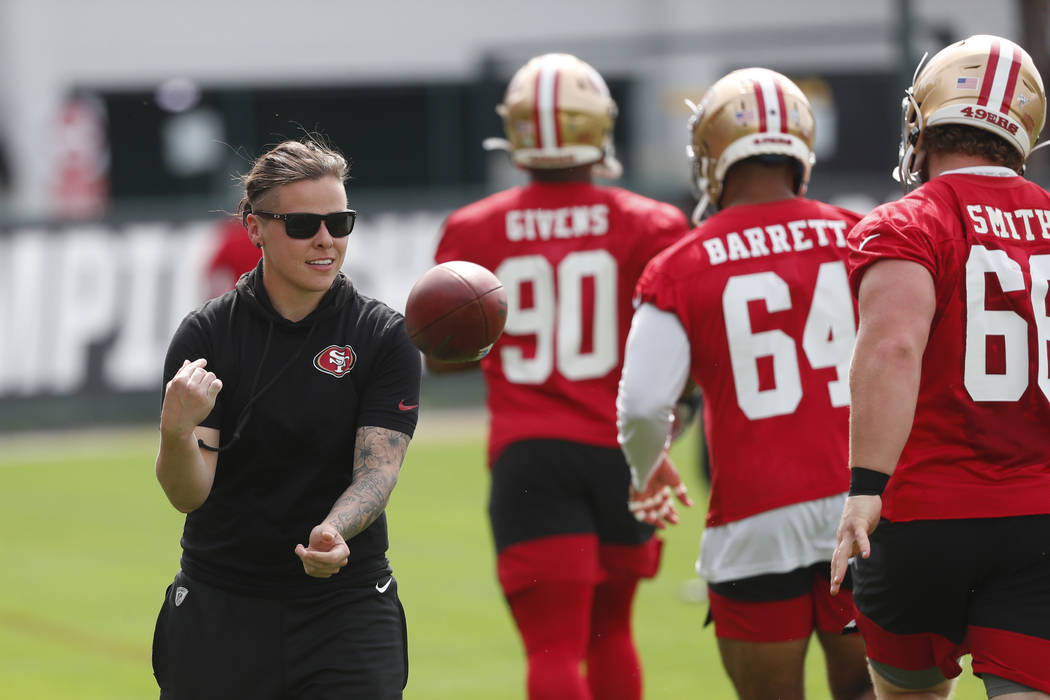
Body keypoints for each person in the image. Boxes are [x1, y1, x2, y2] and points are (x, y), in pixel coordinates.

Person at [431, 53, 691, 700]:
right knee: (614, 630)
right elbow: (684, 356)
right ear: (598, 127)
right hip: (623, 450)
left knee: (552, 646)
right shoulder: (653, 223)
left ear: (515, 131)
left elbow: (441, 357)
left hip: (530, 453)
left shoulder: (473, 228)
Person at [617, 68, 874, 700]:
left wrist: (647, 467)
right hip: (865, 507)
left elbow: (645, 404)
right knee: (871, 693)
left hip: (753, 519)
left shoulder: (681, 263)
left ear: (709, 157)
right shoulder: (865, 235)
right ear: (802, 151)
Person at [151, 137, 421, 699]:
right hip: (222, 603)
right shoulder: (207, 336)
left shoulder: (381, 336)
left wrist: (334, 530)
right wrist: (176, 432)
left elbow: (377, 472)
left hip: (345, 608)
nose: (326, 240)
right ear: (255, 228)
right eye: (302, 225)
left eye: (340, 222)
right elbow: (188, 494)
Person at [830, 34, 1050, 699]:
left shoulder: (909, 221)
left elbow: (894, 347)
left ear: (924, 121)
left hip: (925, 513)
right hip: (1040, 511)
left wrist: (865, 488)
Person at [205, 217, 261, 296]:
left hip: (241, 296)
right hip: (266, 295)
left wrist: (216, 298)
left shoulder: (231, 240)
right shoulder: (262, 237)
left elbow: (212, 270)